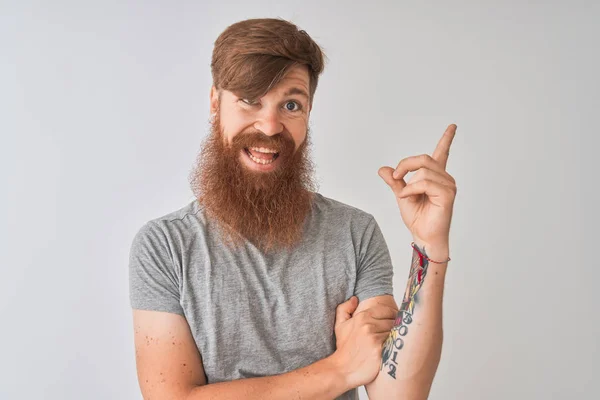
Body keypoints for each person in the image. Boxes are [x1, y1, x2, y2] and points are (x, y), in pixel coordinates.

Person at [128, 17, 457, 400]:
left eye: (290, 104)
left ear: (309, 112)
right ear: (216, 102)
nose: (270, 126)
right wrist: (338, 370)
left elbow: (400, 395)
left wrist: (429, 247)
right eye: (251, 100)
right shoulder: (164, 246)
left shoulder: (354, 233)